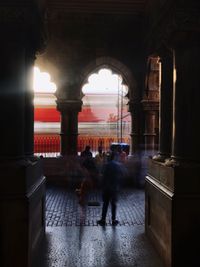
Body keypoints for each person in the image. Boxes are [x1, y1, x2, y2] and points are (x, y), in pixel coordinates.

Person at [97, 151, 124, 226]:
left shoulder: (106, 165)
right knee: (114, 204)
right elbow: (122, 175)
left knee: (105, 204)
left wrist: (101, 186)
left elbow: (102, 177)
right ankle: (113, 219)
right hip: (114, 188)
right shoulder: (118, 165)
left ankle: (103, 219)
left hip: (106, 188)